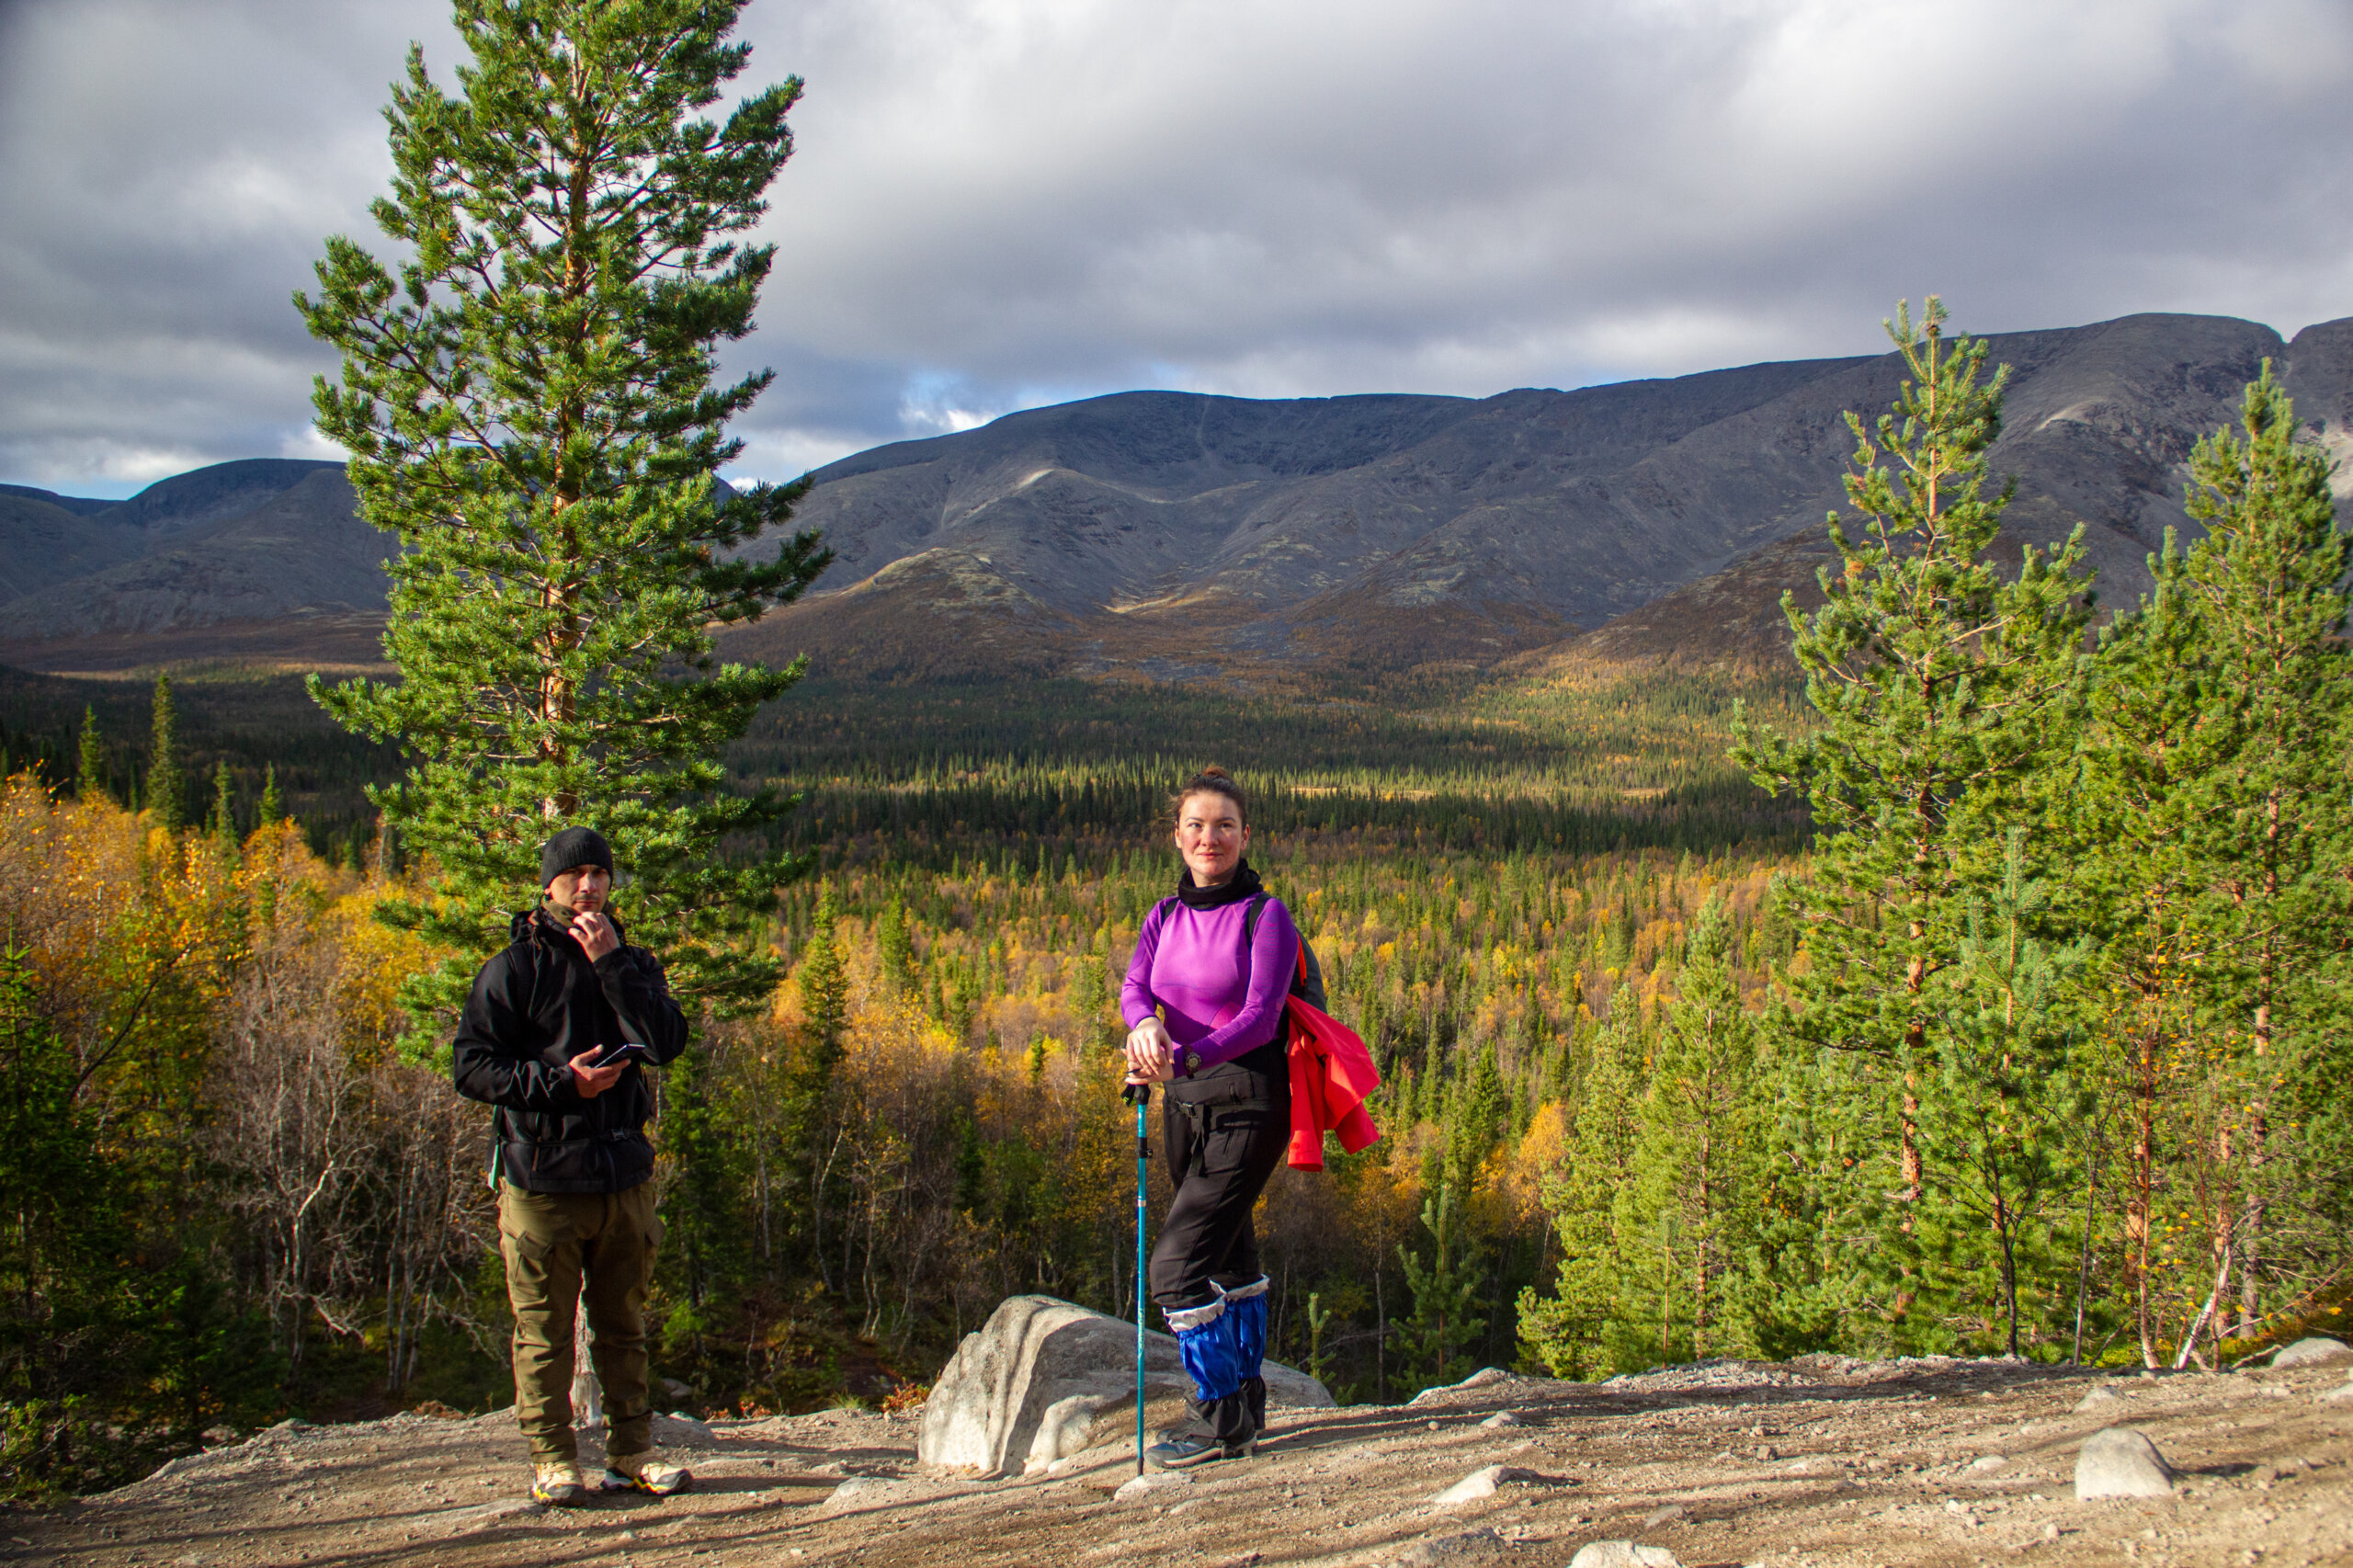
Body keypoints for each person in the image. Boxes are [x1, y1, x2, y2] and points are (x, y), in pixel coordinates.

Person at [451, 825, 692, 1506]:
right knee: (545, 1333)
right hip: (543, 1181)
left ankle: (631, 1451)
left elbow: (666, 1042)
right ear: (549, 885)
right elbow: (471, 1066)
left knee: (624, 1326)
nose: (587, 886)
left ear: (611, 884)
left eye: (598, 874)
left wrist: (614, 967)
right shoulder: (515, 967)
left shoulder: (634, 962)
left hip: (622, 1176)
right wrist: (561, 1084)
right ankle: (554, 1459)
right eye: (574, 875)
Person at [1120, 767, 1298, 1467]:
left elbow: (1259, 1019)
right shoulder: (1163, 915)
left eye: (1224, 825)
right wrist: (1142, 1029)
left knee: (1176, 1267)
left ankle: (1215, 1421)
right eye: (1196, 824)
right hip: (1184, 1108)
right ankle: (1247, 1406)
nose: (1210, 837)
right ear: (1177, 836)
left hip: (1250, 1103)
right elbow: (1138, 986)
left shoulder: (1266, 915)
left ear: (1245, 834)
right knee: (1227, 1255)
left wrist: (1184, 1059)